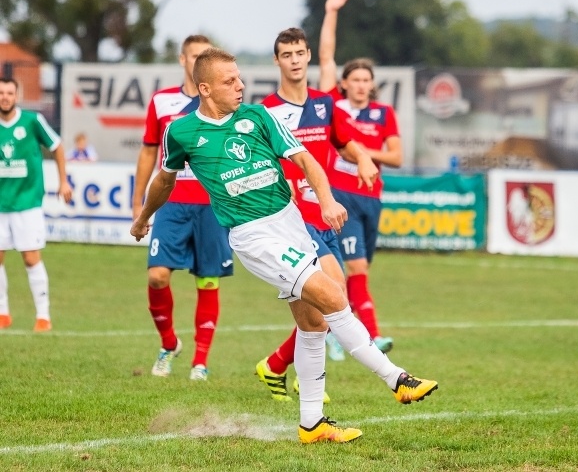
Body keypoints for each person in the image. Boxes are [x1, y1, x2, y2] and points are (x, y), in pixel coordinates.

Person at [130, 47, 438, 444]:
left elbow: (307, 160)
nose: (240, 86)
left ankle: (312, 424)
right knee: (332, 293)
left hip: (291, 223)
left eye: (240, 78)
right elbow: (165, 180)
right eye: (229, 82)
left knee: (313, 324)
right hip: (253, 235)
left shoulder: (258, 117)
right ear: (204, 88)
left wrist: (327, 200)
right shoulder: (182, 131)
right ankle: (397, 379)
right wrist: (143, 218)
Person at [255, 27, 377, 402]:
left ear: (308, 57)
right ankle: (302, 379)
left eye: (299, 53)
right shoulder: (264, 111)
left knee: (323, 307)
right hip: (291, 218)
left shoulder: (325, 104)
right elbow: (258, 163)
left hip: (325, 216)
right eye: (286, 55)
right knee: (334, 293)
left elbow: (344, 141)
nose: (294, 61)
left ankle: (276, 365)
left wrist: (364, 157)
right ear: (277, 61)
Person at [132, 35, 233, 382]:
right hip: (172, 203)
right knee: (157, 275)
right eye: (194, 56)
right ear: (183, 59)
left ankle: (200, 362)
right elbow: (148, 152)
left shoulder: (223, 105)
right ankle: (169, 343)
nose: (198, 60)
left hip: (212, 205)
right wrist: (138, 200)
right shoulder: (163, 102)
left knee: (207, 281)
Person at [317, 0, 404, 353]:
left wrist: (362, 152)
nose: (361, 85)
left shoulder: (384, 114)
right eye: (355, 79)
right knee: (356, 270)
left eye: (367, 80)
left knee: (357, 270)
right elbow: (325, 57)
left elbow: (396, 157)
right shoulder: (333, 105)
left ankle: (336, 331)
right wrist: (332, 11)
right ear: (345, 84)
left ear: (372, 85)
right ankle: (369, 334)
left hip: (372, 198)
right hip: (342, 198)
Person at [0, 77, 72, 331]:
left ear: (17, 96)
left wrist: (64, 182)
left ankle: (43, 316)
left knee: (31, 258)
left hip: (27, 202)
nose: (5, 97)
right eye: (1, 93)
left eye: (9, 92)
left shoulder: (32, 121)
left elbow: (57, 146)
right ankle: (3, 313)